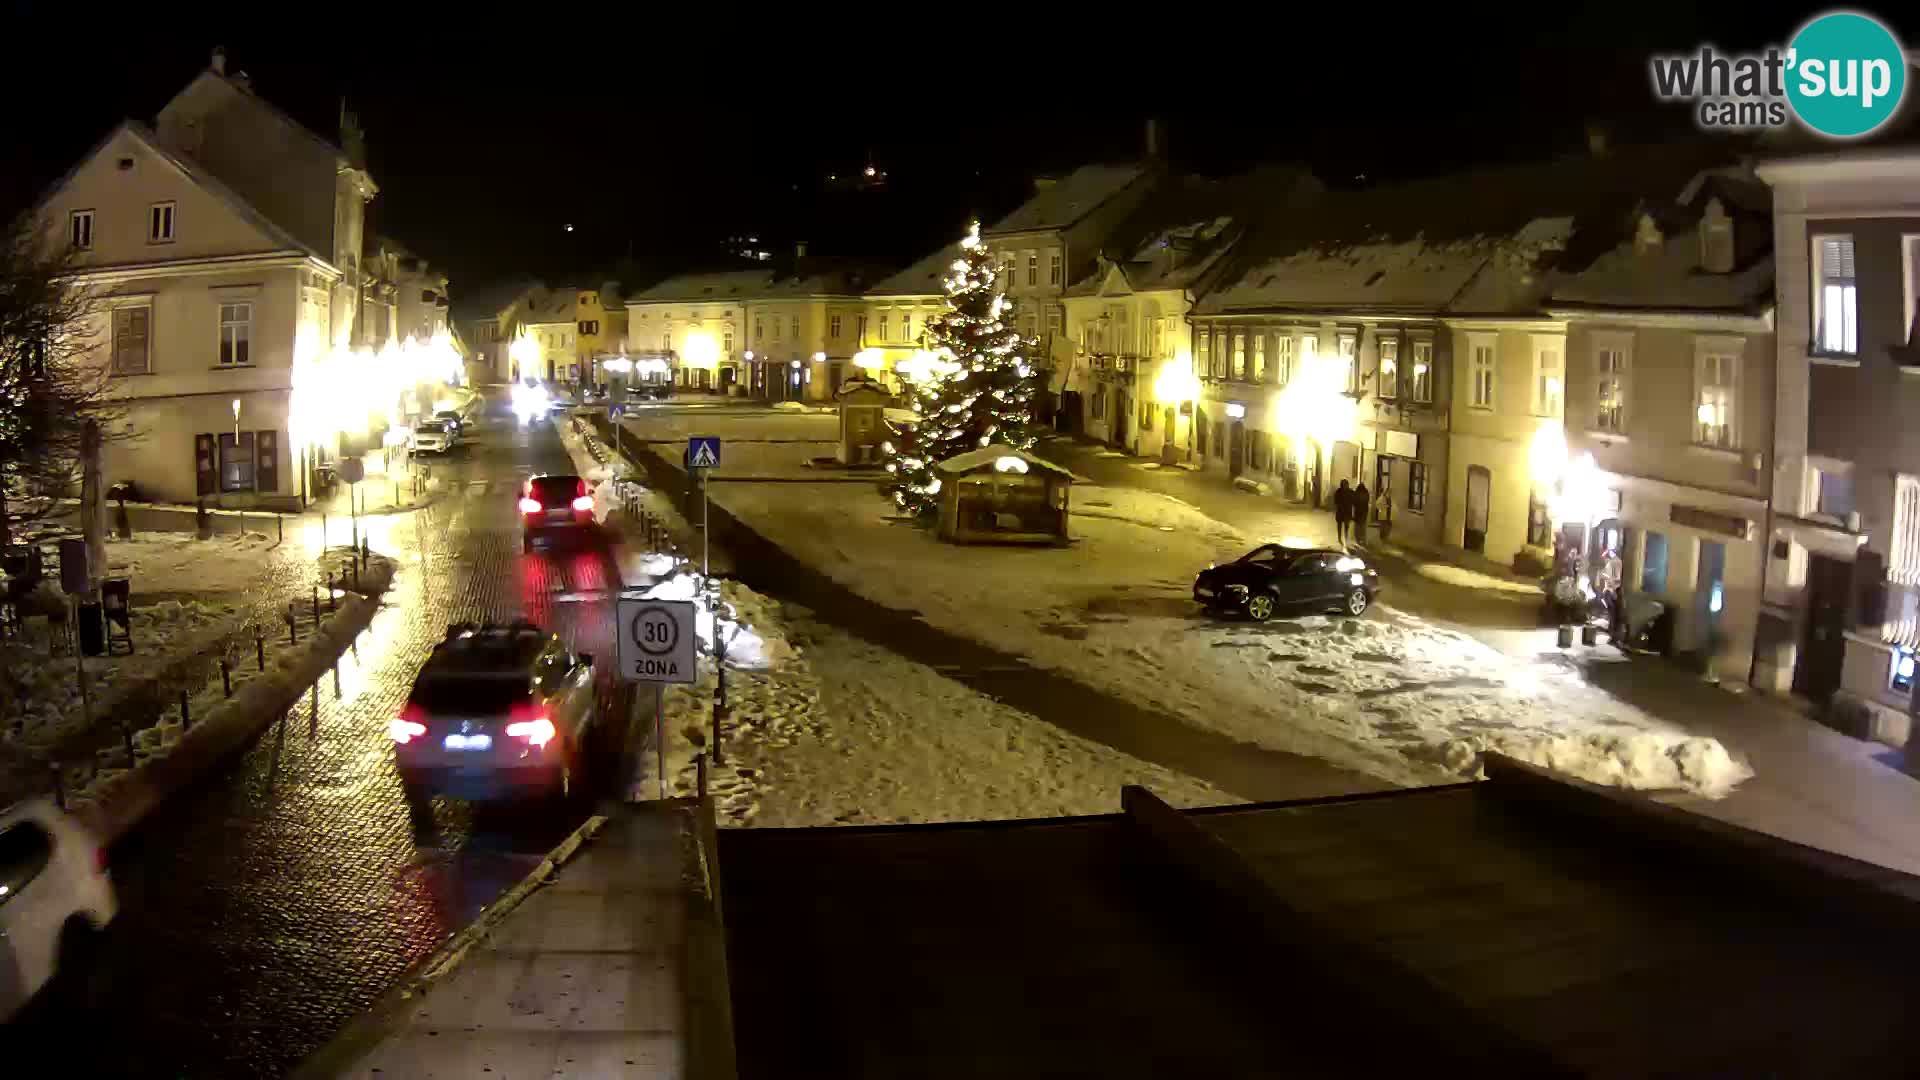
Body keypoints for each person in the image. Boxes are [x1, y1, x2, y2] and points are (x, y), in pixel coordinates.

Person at [1333, 479, 1353, 545]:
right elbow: (1335, 501)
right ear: (1342, 485)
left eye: (1346, 484)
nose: (1346, 485)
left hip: (1347, 512)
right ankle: (1339, 537)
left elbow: (1354, 499)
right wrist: (1338, 506)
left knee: (1346, 526)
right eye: (1344, 484)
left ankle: (1346, 538)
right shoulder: (1338, 491)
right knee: (1339, 526)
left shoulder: (1350, 491)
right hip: (1340, 511)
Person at [1351, 480, 1371, 545]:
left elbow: (1354, 502)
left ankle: (1358, 539)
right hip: (1364, 512)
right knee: (1363, 526)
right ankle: (1363, 539)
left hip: (1357, 512)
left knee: (1357, 526)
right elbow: (1367, 501)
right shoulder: (1366, 493)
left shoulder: (1356, 493)